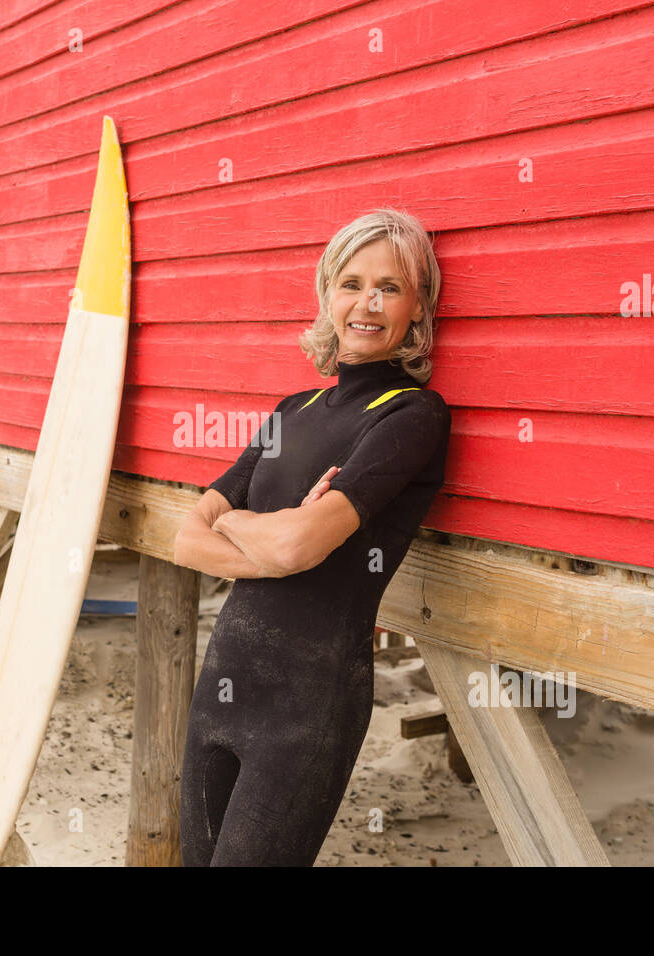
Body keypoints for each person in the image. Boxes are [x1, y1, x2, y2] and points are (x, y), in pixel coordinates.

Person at [172, 208, 452, 866]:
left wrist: (240, 526)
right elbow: (186, 540)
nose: (367, 303)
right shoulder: (289, 412)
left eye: (389, 287)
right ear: (328, 294)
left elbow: (298, 548)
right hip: (224, 681)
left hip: (309, 701)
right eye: (351, 283)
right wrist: (272, 538)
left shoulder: (412, 416)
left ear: (417, 308)